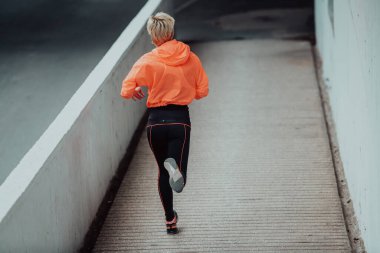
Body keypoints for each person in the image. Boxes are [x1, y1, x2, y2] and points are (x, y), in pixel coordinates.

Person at [120, 12, 208, 234]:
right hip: (180, 121)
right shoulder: (191, 58)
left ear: (153, 35)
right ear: (171, 31)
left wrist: (137, 89)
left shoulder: (148, 60)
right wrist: (184, 87)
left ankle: (170, 220)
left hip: (155, 123)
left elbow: (126, 89)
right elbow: (202, 91)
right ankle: (176, 169)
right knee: (179, 175)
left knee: (162, 172)